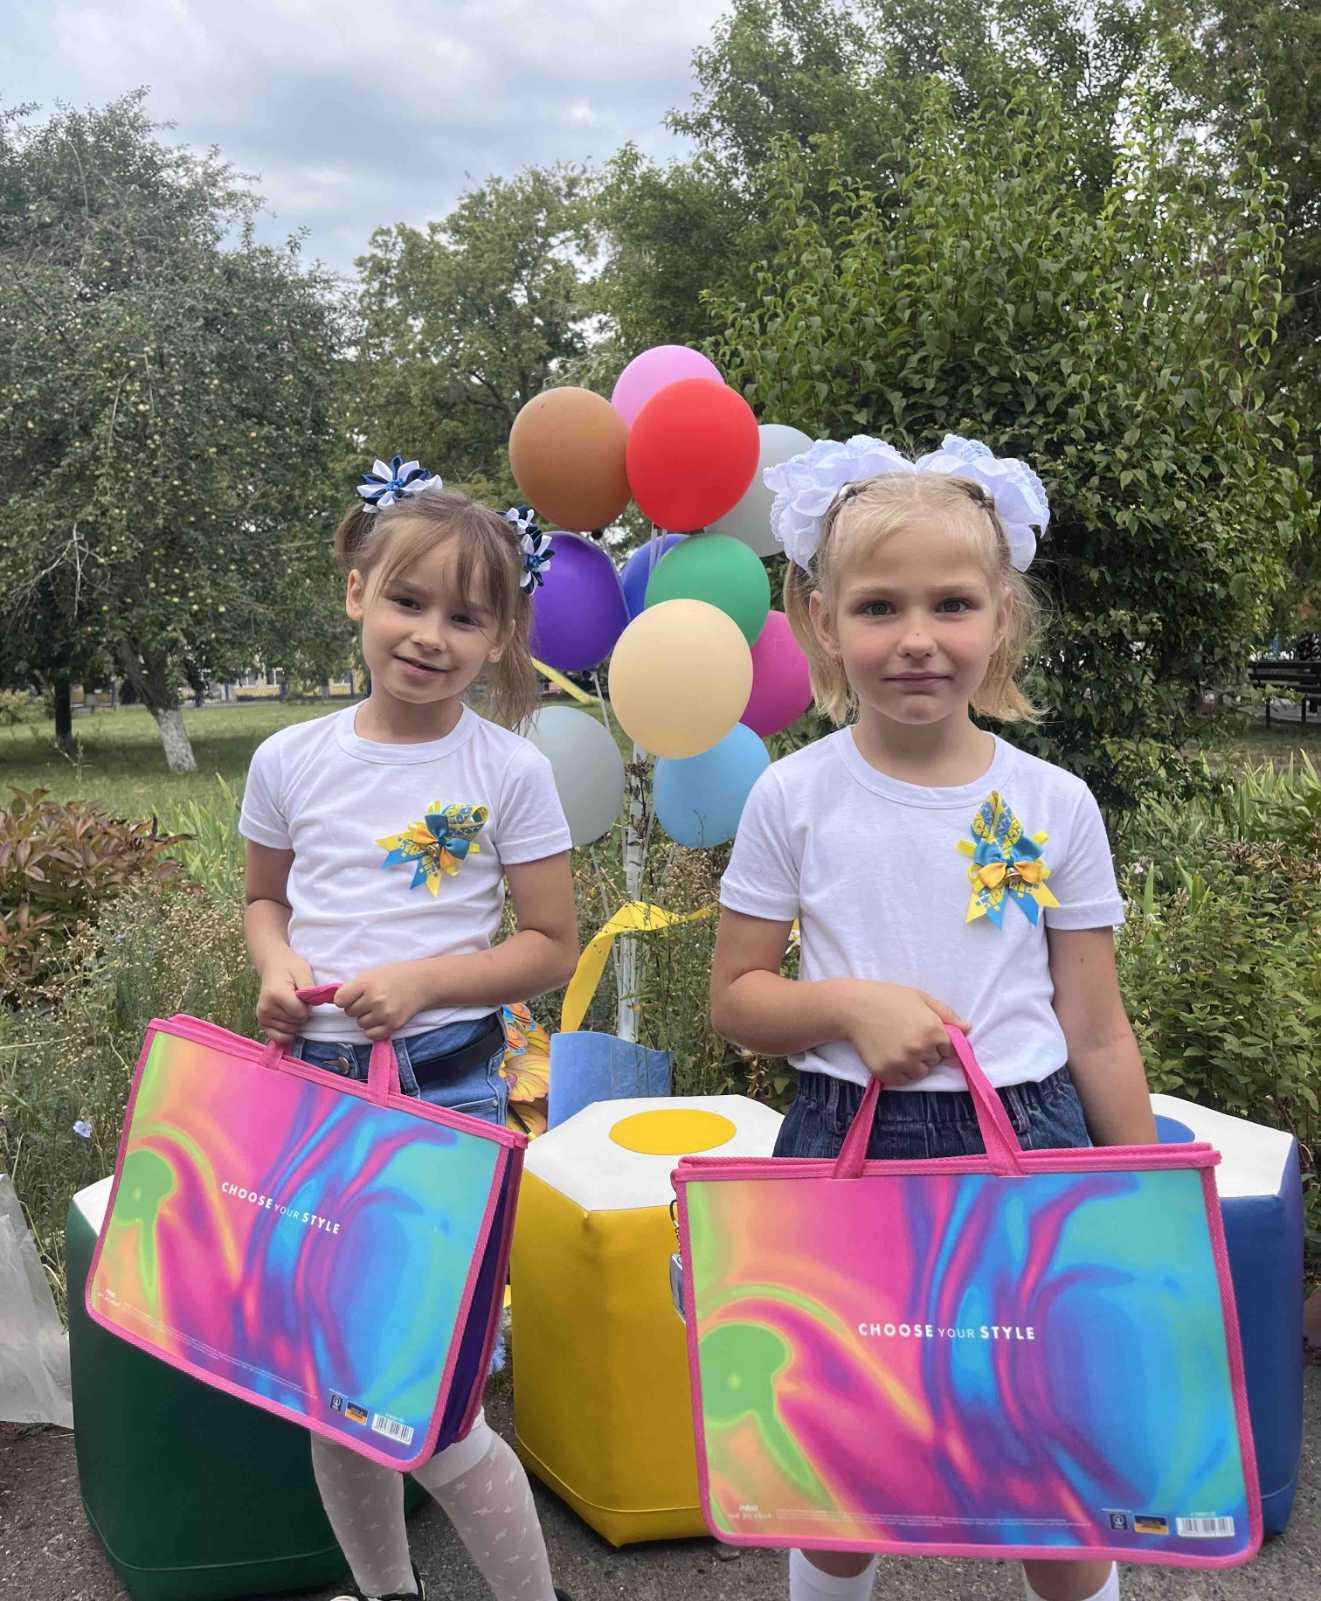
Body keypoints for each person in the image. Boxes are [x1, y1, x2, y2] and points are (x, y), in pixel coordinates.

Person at [709, 435, 1156, 1601]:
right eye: (879, 606)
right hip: (842, 1148)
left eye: (951, 603)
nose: (917, 637)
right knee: (837, 1472)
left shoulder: (1053, 803)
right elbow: (737, 994)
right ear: (822, 620)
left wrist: (1144, 1196)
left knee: (1054, 1478)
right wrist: (845, 1004)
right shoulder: (791, 796)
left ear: (1001, 616)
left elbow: (1095, 1026)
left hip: (1031, 1144)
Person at [240, 455, 576, 1601]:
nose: (431, 635)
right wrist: (277, 964)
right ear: (356, 593)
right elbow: (264, 900)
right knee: (334, 1387)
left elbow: (550, 941)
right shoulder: (289, 759)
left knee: (430, 1406)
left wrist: (426, 981)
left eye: (465, 616)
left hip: (446, 1097)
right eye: (407, 600)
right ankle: (389, 1592)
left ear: (500, 635)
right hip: (312, 1096)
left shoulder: (508, 769)